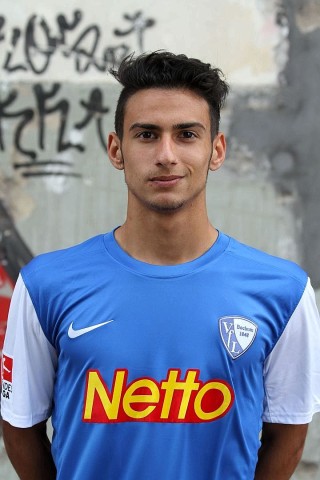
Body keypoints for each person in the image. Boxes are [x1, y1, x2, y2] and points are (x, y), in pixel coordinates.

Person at [1, 51, 320, 480]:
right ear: (116, 149)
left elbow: (288, 431)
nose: (167, 154)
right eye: (147, 135)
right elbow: (20, 424)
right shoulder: (46, 285)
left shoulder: (283, 292)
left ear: (216, 150)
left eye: (187, 134)